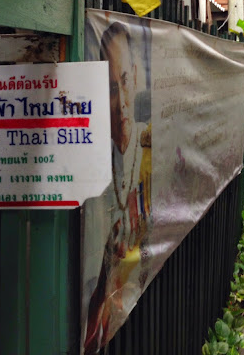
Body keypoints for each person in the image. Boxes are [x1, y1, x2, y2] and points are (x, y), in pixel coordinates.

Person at [84, 21, 152, 354]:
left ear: (135, 76)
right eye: (111, 89)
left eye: (124, 81)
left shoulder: (147, 147)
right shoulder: (92, 159)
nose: (122, 102)